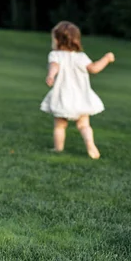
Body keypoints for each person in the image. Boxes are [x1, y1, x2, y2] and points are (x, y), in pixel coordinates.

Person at [40, 21, 115, 159]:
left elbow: (54, 66)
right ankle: (90, 144)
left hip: (62, 97)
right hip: (81, 97)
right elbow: (94, 68)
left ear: (57, 40)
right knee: (83, 125)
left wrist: (51, 75)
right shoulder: (81, 57)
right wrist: (106, 59)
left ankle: (58, 149)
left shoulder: (55, 55)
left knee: (60, 126)